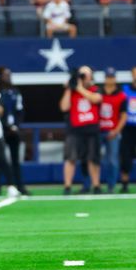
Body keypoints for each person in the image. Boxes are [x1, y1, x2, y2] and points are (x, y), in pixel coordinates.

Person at [59, 65, 102, 195]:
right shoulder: (72, 91)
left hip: (92, 129)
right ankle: (67, 186)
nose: (83, 77)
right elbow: (64, 107)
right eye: (81, 75)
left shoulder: (95, 89)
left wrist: (80, 88)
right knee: (70, 158)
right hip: (75, 130)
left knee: (93, 159)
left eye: (86, 74)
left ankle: (96, 186)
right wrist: (69, 88)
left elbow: (96, 99)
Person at [0, 67, 29, 195]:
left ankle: (20, 186)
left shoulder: (16, 92)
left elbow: (20, 111)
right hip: (0, 130)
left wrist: (16, 125)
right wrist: (5, 126)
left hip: (14, 130)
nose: (7, 77)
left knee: (15, 160)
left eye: (9, 74)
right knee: (0, 159)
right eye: (5, 75)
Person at [100, 67, 127, 194]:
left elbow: (124, 116)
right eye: (108, 77)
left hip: (113, 131)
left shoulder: (121, 96)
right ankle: (93, 185)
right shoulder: (98, 93)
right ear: (105, 78)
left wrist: (116, 131)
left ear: (115, 79)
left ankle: (111, 186)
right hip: (98, 130)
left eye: (112, 77)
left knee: (112, 159)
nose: (110, 80)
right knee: (93, 159)